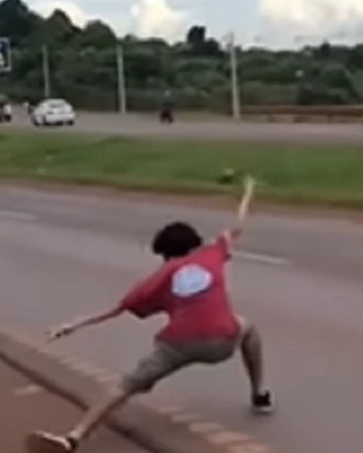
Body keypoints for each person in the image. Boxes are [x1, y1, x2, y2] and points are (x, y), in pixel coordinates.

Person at [26, 175, 272, 453]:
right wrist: (248, 191)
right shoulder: (212, 253)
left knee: (124, 386)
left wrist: (70, 325)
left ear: (166, 254)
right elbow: (238, 225)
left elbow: (114, 310)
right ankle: (260, 393)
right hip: (223, 339)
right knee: (248, 329)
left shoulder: (155, 279)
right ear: (194, 244)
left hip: (178, 344)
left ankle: (73, 436)